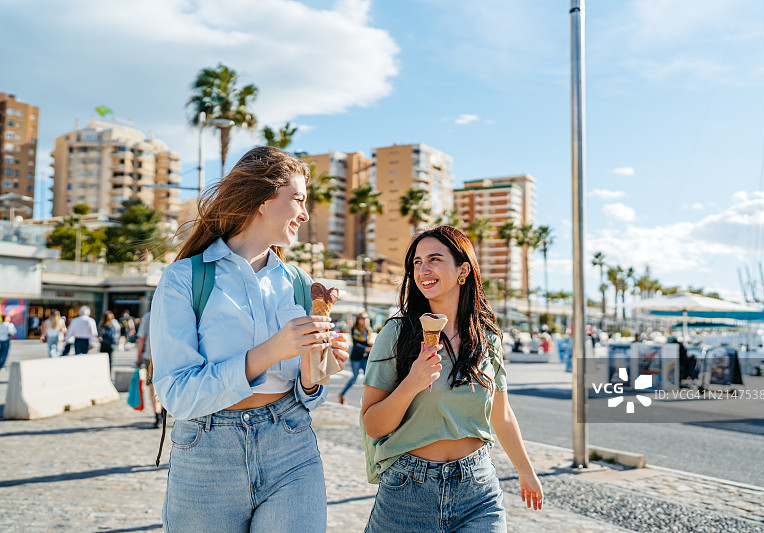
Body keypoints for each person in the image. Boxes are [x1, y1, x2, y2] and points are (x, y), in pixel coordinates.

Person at [150, 146, 349, 533]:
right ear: (262, 199)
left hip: (290, 443)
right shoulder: (183, 279)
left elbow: (311, 391)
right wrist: (271, 351)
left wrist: (318, 368)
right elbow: (176, 394)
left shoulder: (300, 283)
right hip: (207, 453)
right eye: (298, 200)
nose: (305, 214)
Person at [361, 226, 544, 532]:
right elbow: (373, 424)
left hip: (478, 489)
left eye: (434, 259)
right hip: (408, 491)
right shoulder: (396, 335)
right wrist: (412, 383)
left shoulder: (487, 338)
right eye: (417, 263)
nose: (423, 270)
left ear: (463, 270)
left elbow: (501, 415)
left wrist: (526, 471)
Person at [136, 310, 162, 428]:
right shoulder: (171, 312)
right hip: (167, 357)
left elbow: (141, 339)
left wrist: (138, 359)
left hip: (150, 357)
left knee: (152, 386)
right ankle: (162, 409)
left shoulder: (147, 317)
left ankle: (157, 413)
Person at [339, 312, 373, 404]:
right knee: (355, 378)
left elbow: (367, 342)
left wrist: (371, 345)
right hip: (356, 357)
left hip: (365, 358)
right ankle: (342, 394)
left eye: (366, 318)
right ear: (358, 319)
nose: (365, 320)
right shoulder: (355, 329)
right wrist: (366, 348)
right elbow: (356, 344)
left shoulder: (368, 330)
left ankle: (369, 399)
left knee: (369, 377)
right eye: (362, 318)